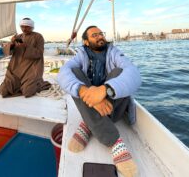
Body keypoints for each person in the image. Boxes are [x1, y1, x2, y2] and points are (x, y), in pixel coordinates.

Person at [57, 26, 141, 177]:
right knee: (74, 73)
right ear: (86, 42)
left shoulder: (113, 52)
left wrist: (105, 90)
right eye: (94, 35)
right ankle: (111, 138)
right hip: (93, 103)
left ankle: (92, 126)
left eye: (101, 34)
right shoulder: (81, 55)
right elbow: (63, 73)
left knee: (120, 72)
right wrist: (86, 93)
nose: (100, 37)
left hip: (114, 109)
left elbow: (134, 73)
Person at [0, 18, 50, 98]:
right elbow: (6, 51)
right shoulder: (18, 36)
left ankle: (41, 83)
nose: (24, 29)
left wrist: (26, 46)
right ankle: (20, 86)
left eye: (26, 27)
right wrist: (12, 43)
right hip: (16, 69)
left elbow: (39, 53)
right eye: (22, 27)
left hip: (31, 69)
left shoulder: (38, 36)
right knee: (3, 91)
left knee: (27, 91)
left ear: (32, 27)